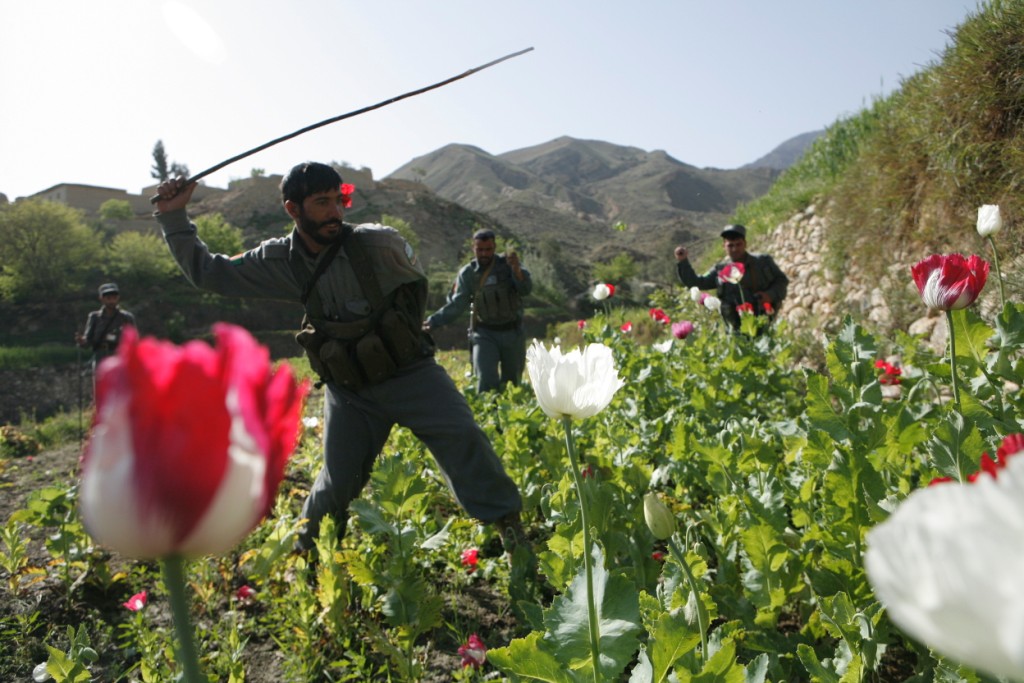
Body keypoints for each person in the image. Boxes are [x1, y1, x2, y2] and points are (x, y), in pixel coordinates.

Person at [153, 162, 526, 556]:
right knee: (338, 481)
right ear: (292, 209)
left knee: (464, 438)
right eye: (321, 203)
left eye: (338, 200)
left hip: (410, 372)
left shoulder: (380, 245)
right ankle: (310, 552)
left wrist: (394, 334)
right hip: (351, 389)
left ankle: (511, 532)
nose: (335, 212)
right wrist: (173, 216)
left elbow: (415, 286)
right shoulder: (282, 260)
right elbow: (213, 274)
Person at [424, 229, 532, 393]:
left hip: (513, 333)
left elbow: (526, 290)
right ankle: (487, 415)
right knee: (486, 380)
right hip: (485, 334)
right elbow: (457, 305)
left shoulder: (509, 265)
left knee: (513, 383)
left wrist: (517, 270)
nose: (484, 254)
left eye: (488, 249)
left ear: (494, 247)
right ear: (473, 249)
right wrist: (433, 322)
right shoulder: (467, 274)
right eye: (480, 249)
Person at [674, 224, 789, 332]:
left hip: (763, 321)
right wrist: (683, 261)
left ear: (745, 244)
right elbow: (697, 283)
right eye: (730, 245)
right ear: (724, 246)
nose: (735, 249)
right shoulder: (720, 270)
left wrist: (770, 295)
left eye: (738, 244)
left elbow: (782, 281)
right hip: (735, 328)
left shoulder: (762, 262)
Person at [75, 282, 136, 367]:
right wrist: (82, 341)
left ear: (118, 298)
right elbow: (88, 341)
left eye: (114, 298)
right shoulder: (95, 317)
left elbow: (133, 341)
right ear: (101, 299)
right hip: (100, 358)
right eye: (108, 298)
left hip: (120, 359)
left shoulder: (126, 317)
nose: (111, 301)